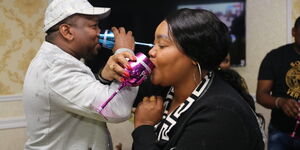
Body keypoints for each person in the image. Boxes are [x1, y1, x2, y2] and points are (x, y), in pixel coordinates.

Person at [132, 8, 264, 150]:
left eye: (162, 45)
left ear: (194, 56)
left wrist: (144, 127)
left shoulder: (220, 114)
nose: (151, 52)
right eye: (154, 44)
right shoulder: (167, 88)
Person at [22, 0, 139, 149]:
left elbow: (81, 100)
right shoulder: (57, 68)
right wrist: (126, 53)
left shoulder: (58, 61)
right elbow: (117, 109)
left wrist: (102, 78)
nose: (100, 33)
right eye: (94, 26)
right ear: (67, 32)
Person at [256, 16, 300, 150]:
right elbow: (261, 95)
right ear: (293, 31)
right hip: (280, 131)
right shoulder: (275, 57)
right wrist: (280, 102)